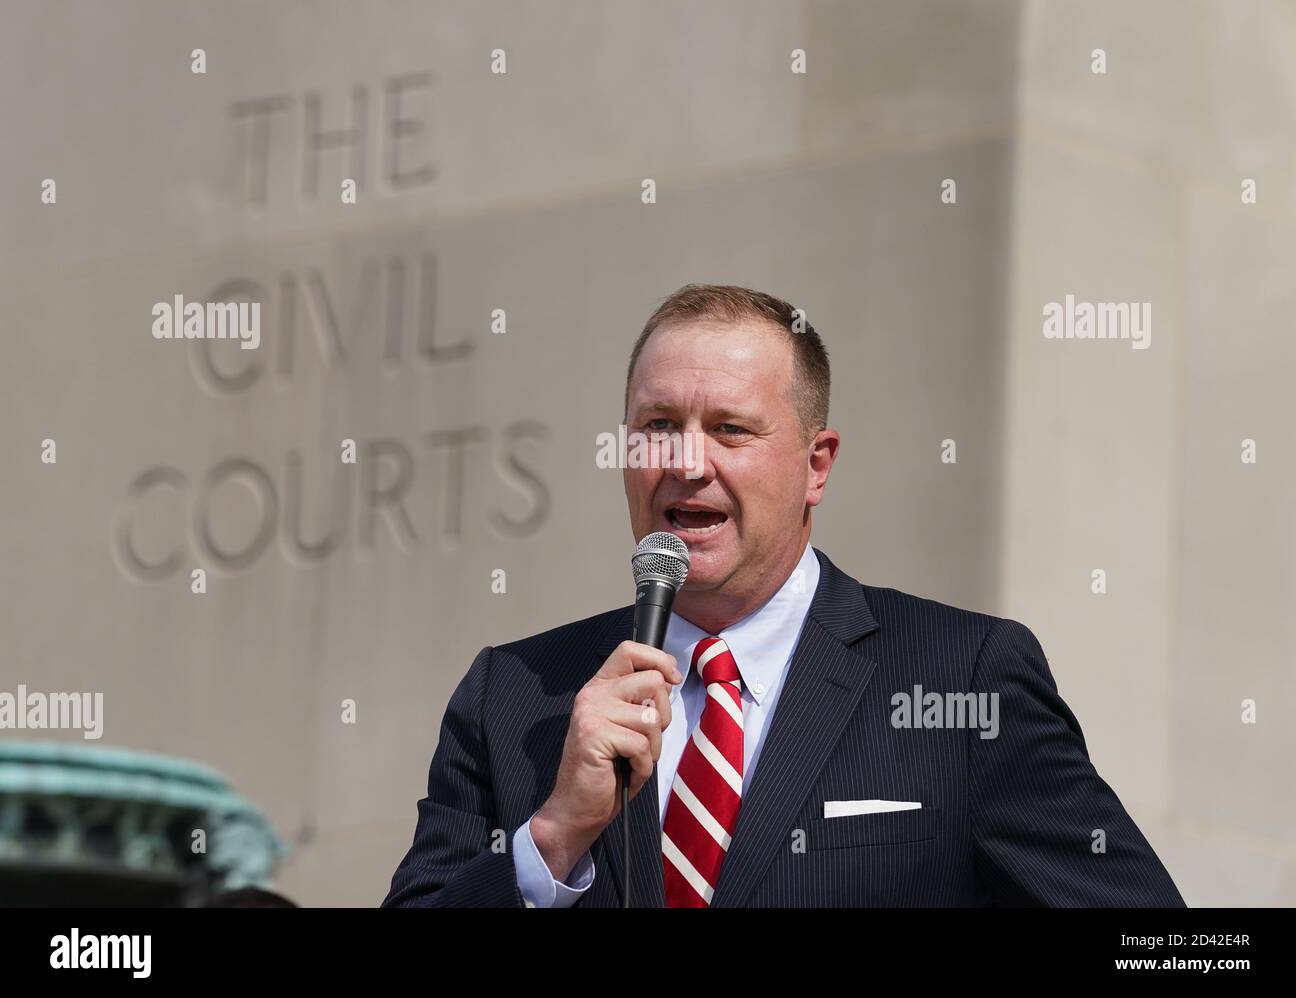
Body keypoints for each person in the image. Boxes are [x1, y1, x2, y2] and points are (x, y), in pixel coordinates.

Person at [382, 284, 1184, 907]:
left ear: (816, 464)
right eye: (658, 426)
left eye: (731, 430)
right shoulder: (516, 697)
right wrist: (553, 839)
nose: (687, 463)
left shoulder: (962, 678)